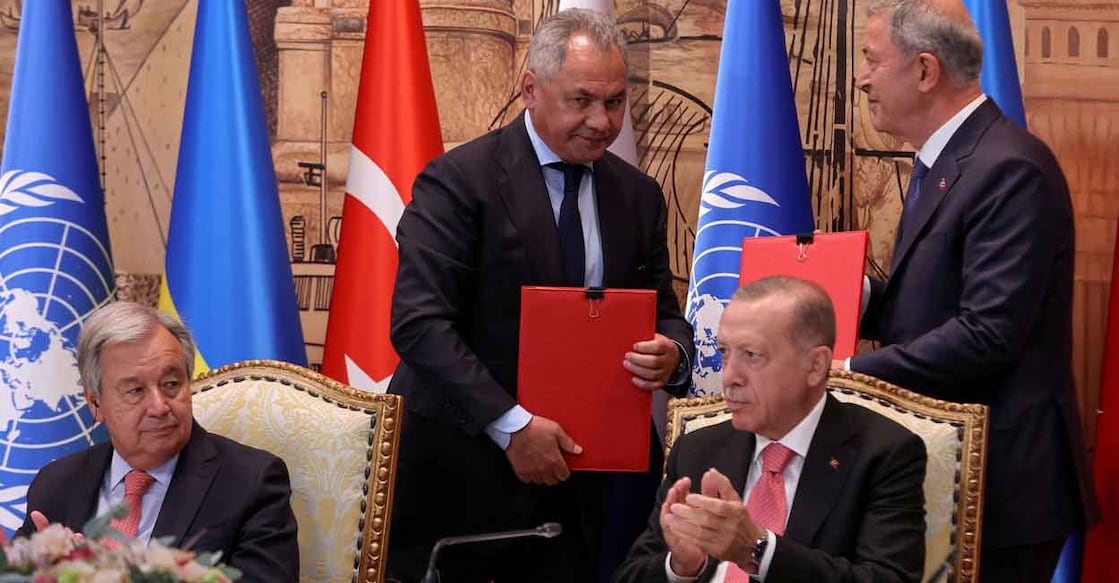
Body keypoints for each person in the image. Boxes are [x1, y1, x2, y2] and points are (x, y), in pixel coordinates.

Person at [385, 8, 694, 583]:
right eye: (582, 101)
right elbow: (419, 324)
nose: (602, 121)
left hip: (581, 496)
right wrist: (512, 426)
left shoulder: (638, 196)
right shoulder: (458, 182)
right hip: (462, 482)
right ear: (531, 89)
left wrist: (673, 353)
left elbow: (663, 311)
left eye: (615, 102)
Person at [850, 1, 1098, 581]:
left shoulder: (1010, 168)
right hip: (955, 463)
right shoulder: (951, 160)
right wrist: (847, 295)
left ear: (925, 71)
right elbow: (933, 302)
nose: (862, 79)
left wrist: (849, 373)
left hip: (1003, 484)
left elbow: (988, 332)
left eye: (872, 60)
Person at [615, 276, 927, 583]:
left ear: (816, 366)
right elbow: (630, 574)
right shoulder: (698, 449)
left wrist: (758, 550)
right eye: (724, 352)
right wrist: (681, 568)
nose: (730, 376)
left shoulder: (883, 454)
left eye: (751, 355)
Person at [16, 301, 299, 582]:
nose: (159, 407)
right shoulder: (56, 484)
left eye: (171, 384)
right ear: (96, 403)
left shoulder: (251, 483)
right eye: (135, 390)